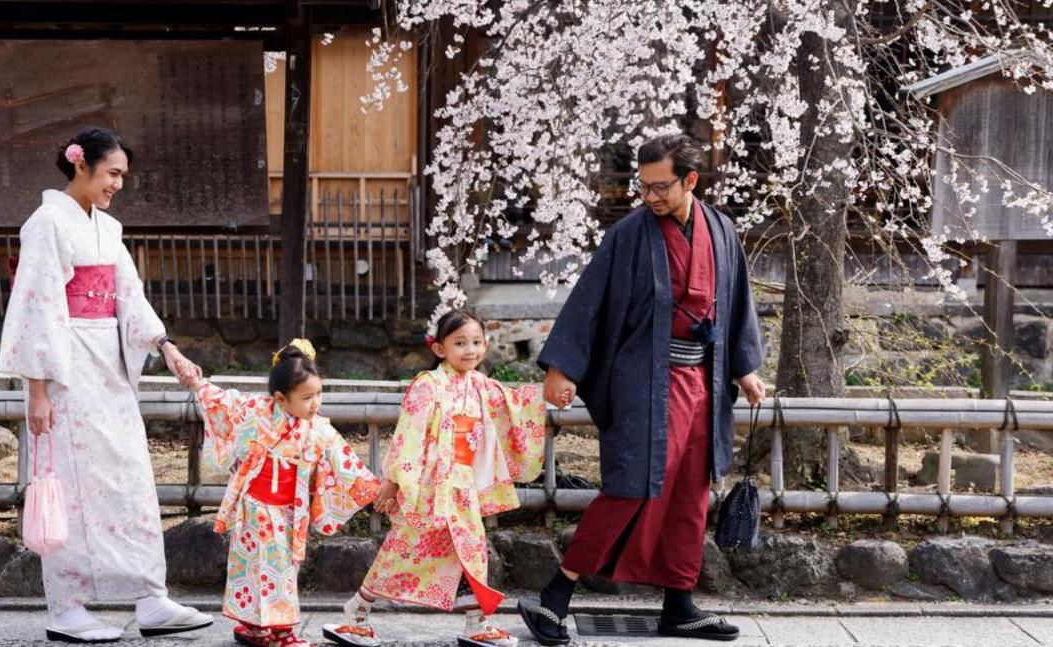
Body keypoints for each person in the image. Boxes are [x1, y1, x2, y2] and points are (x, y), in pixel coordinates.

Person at [517, 134, 767, 644]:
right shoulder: (629, 235)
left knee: (691, 492)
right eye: (643, 185)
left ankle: (679, 604)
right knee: (631, 486)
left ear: (690, 180)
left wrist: (745, 368)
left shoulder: (722, 231)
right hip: (644, 381)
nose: (649, 196)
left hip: (704, 380)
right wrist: (562, 367)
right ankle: (553, 598)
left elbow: (736, 303)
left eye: (659, 187)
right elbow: (591, 300)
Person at [0, 127, 213, 643]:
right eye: (112, 173)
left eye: (122, 175)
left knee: (130, 475)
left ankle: (149, 598)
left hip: (110, 367)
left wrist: (167, 347)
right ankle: (66, 606)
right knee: (70, 483)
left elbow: (129, 297)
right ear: (81, 165)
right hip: (67, 368)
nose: (118, 183)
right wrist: (38, 391)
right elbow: (38, 306)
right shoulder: (47, 223)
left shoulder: (108, 230)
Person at [324, 310, 547, 647]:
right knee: (403, 551)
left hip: (463, 485)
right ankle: (357, 611)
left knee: (473, 552)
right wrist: (395, 480)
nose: (470, 350)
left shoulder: (482, 386)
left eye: (476, 342)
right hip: (430, 487)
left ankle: (478, 623)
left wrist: (548, 394)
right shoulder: (428, 385)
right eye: (460, 343)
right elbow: (409, 434)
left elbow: (515, 405)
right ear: (440, 349)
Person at [189, 339, 380, 647]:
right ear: (280, 398)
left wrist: (376, 490)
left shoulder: (318, 429)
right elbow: (222, 402)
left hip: (288, 511)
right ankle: (277, 633)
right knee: (258, 569)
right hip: (255, 507)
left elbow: (346, 464)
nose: (315, 403)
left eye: (318, 394)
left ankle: (260, 628)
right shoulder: (256, 413)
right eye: (307, 397)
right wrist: (199, 384)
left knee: (278, 570)